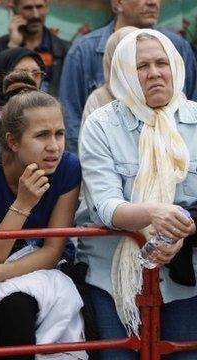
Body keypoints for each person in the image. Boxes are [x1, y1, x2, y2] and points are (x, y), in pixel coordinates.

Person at [77, 29, 197, 360]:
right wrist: (154, 214)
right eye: (142, 65)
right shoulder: (101, 124)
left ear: (176, 66)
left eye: (162, 63)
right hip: (112, 282)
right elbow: (102, 205)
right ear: (125, 73)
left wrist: (187, 226)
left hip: (187, 280)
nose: (154, 72)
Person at [0, 72, 83, 357]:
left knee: (18, 306)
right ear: (12, 142)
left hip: (39, 268)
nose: (54, 146)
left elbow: (53, 251)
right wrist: (23, 204)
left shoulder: (68, 167)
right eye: (41, 136)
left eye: (59, 134)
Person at [59, 0, 197, 154]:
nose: (153, 3)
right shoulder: (83, 51)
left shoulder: (178, 46)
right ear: (118, 3)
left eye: (162, 63)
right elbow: (71, 121)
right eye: (142, 66)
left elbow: (191, 108)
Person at [0, 0, 70, 96]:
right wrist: (12, 46)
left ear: (47, 8)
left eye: (39, 7)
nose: (35, 15)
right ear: (15, 10)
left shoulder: (64, 49)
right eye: (28, 8)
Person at [81, 26, 137, 124]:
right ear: (113, 58)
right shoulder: (99, 99)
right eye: (126, 53)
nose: (132, 60)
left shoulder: (155, 92)